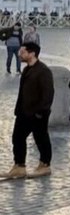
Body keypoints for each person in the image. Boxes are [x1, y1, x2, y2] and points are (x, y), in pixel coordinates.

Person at [2, 42, 53, 179]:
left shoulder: (43, 71)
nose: (20, 54)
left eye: (22, 52)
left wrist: (40, 113)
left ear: (32, 53)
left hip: (37, 113)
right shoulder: (26, 70)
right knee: (17, 138)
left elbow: (48, 94)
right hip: (23, 112)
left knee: (41, 138)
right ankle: (19, 167)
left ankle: (45, 165)